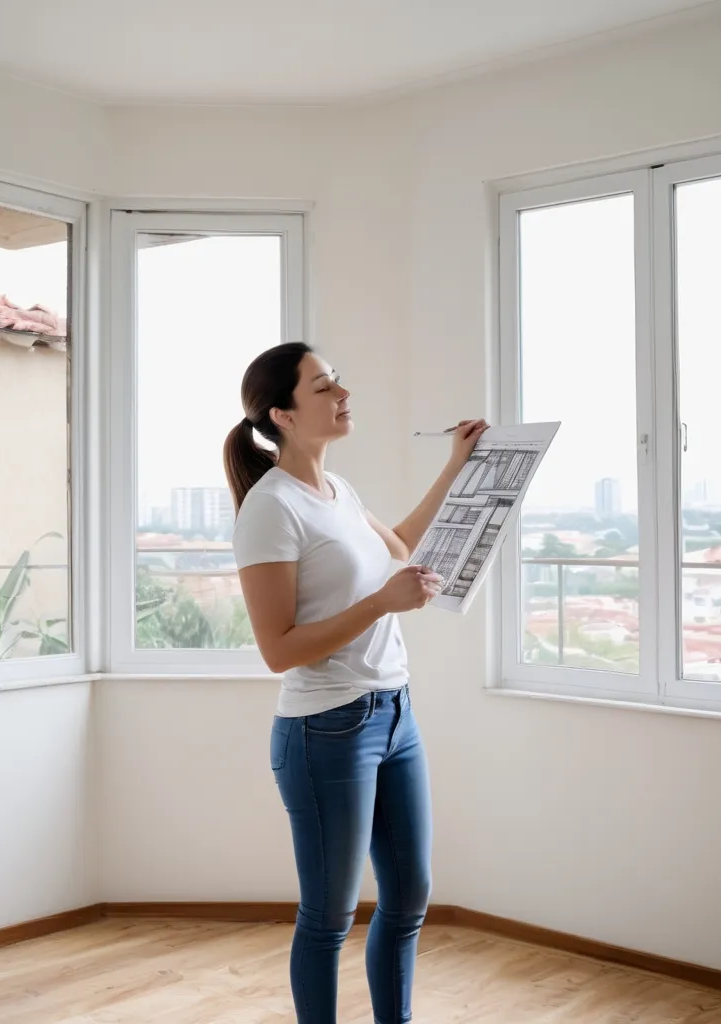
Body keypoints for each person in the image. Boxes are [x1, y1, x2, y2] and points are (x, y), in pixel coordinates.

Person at [224, 341, 488, 1024]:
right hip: (326, 731)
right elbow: (277, 650)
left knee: (407, 900)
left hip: (395, 715)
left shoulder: (339, 491)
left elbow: (401, 547)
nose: (343, 393)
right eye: (324, 386)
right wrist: (379, 604)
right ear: (282, 413)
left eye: (338, 380)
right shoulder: (270, 508)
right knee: (329, 916)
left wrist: (456, 466)